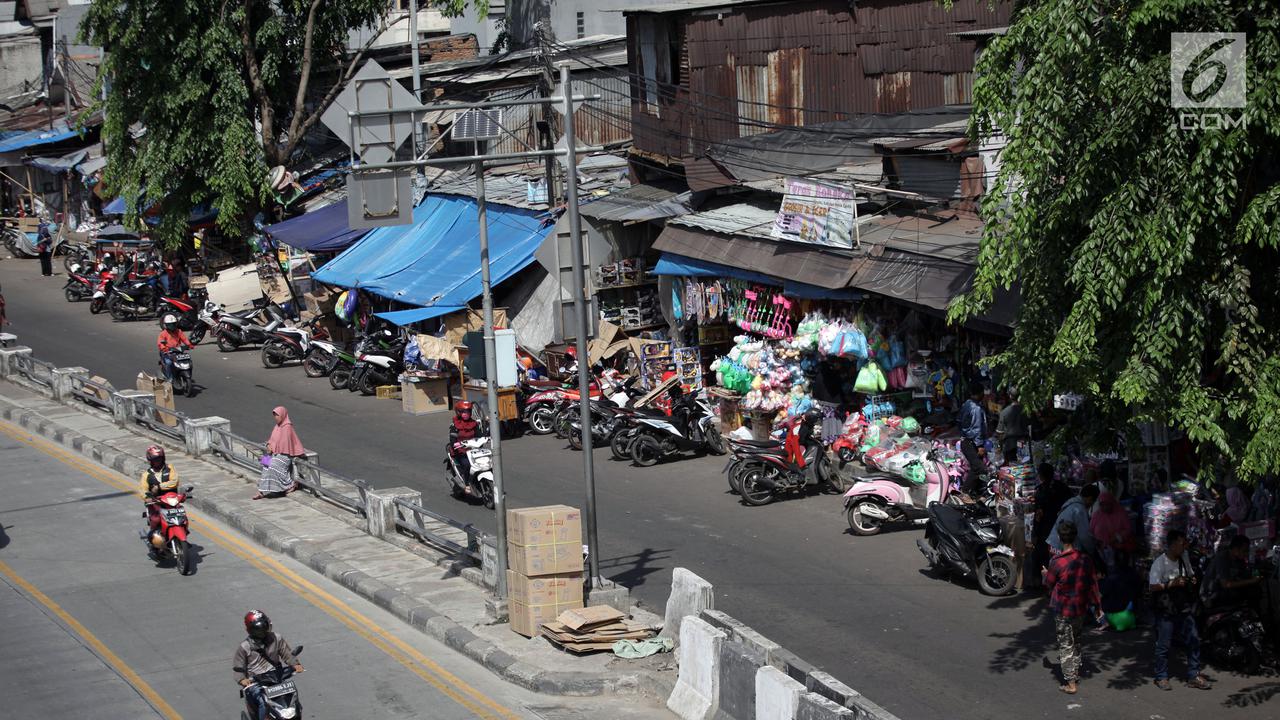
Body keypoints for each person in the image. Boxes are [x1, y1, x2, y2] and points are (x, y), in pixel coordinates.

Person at [1043, 520, 1103, 695]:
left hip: (1064, 609)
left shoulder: (1057, 562)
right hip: (1081, 608)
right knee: (1076, 640)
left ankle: (1070, 683)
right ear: (1075, 536)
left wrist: (1045, 574)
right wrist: (1098, 607)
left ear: (1061, 539)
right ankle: (1074, 673)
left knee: (1066, 644)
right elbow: (1093, 585)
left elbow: (1049, 584)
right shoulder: (1085, 559)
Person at [1149, 529, 1211, 690]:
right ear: (1172, 544)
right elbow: (1153, 586)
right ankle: (1161, 676)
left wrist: (1192, 579)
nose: (1184, 547)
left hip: (1183, 606)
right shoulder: (1160, 562)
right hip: (1166, 609)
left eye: (1185, 543)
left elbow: (1189, 574)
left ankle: (1193, 675)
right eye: (1181, 543)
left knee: (1194, 639)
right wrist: (1172, 584)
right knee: (1164, 644)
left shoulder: (1184, 558)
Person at [234, 610, 303, 720]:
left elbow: (287, 653)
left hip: (277, 677)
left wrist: (295, 664)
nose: (262, 631)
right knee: (263, 702)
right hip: (256, 683)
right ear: (250, 630)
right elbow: (238, 668)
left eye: (263, 627)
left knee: (292, 695)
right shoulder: (244, 647)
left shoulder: (276, 638)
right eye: (258, 629)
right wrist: (242, 680)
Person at [1030, 463, 1073, 590]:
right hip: (1060, 527)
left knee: (1043, 556)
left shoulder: (1042, 491)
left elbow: (1039, 513)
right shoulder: (1062, 487)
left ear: (1041, 475)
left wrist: (1035, 532)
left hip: (1046, 528)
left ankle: (1046, 583)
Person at [255, 407, 305, 499]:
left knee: (272, 466)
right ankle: (261, 491)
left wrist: (273, 450)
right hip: (275, 454)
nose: (275, 417)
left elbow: (285, 445)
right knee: (265, 463)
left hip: (284, 456)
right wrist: (269, 445)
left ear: (282, 415)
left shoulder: (287, 427)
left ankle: (288, 485)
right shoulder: (277, 427)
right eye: (274, 415)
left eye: (277, 415)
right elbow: (271, 440)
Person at [1202, 535, 1262, 609]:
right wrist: (1251, 581)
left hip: (1224, 591)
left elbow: (1242, 575)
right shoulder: (1222, 558)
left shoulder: (1239, 559)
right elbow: (1226, 584)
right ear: (1236, 549)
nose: (1246, 554)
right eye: (1244, 551)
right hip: (1212, 594)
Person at [138, 445, 180, 540]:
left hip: (171, 500)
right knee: (156, 519)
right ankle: (154, 537)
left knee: (182, 516)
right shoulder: (146, 475)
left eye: (159, 459)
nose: (158, 461)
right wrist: (147, 498)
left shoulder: (170, 468)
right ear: (150, 461)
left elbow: (175, 481)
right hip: (156, 502)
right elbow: (143, 490)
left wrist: (159, 486)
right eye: (155, 459)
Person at [1049, 484, 1100, 556]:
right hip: (1062, 547)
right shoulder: (1079, 510)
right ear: (1090, 498)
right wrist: (1093, 551)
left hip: (1054, 543)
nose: (1092, 504)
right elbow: (1085, 537)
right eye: (1093, 501)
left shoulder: (1071, 503)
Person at [1090, 491, 1135, 567]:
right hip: (1101, 551)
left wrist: (1117, 537)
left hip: (1119, 550)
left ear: (1112, 503)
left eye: (1107, 505)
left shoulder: (1121, 513)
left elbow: (1128, 529)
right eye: (1102, 505)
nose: (1104, 507)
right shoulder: (1097, 515)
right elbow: (1091, 531)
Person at [957, 384, 988, 494]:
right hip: (971, 443)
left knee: (977, 468)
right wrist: (979, 446)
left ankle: (977, 492)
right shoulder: (976, 408)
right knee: (979, 468)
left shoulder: (966, 404)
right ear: (980, 394)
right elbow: (976, 428)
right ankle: (964, 492)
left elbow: (959, 421)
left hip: (966, 441)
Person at [447, 400, 483, 493]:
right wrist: (456, 444)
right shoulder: (455, 425)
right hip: (460, 451)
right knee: (467, 465)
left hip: (473, 449)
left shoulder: (474, 423)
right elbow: (452, 439)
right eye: (463, 412)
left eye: (468, 412)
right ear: (458, 412)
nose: (466, 414)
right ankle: (467, 484)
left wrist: (485, 437)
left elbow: (479, 435)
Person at [156, 314, 193, 381]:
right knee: (169, 363)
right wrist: (164, 348)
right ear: (166, 325)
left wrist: (189, 344)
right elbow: (160, 343)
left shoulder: (179, 331)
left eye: (173, 324)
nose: (172, 326)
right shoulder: (163, 333)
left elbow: (184, 339)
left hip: (177, 350)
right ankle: (170, 378)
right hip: (167, 352)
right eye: (170, 324)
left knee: (187, 361)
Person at [995, 390, 1028, 464]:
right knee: (1025, 467)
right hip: (1024, 444)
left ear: (1010, 396)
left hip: (1010, 445)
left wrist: (999, 447)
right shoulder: (1026, 410)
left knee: (1012, 469)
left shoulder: (1004, 412)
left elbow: (1000, 433)